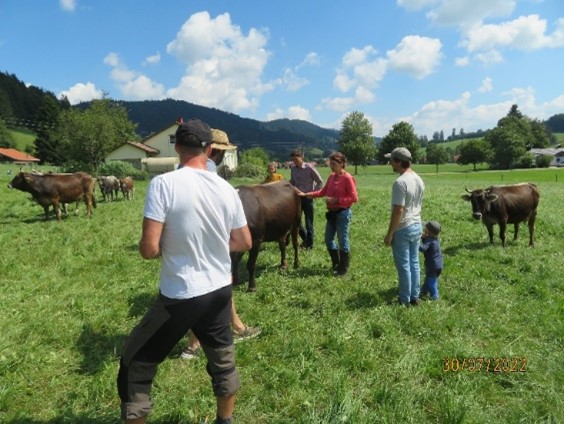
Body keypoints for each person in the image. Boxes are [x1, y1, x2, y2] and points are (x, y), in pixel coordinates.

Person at [117, 118, 252, 424]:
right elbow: (244, 240)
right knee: (223, 360)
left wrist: (176, 245)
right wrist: (213, 246)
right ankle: (225, 420)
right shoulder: (226, 188)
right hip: (219, 290)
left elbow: (149, 250)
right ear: (209, 149)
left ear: (176, 147)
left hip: (180, 294)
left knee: (135, 363)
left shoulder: (163, 185)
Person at [183, 128, 261, 360]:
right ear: (213, 150)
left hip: (191, 237)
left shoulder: (184, 169)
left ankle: (237, 325)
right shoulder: (206, 169)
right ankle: (194, 343)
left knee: (220, 283)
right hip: (209, 238)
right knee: (200, 290)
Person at [297, 152, 358, 275]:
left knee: (342, 241)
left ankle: (343, 269)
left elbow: (354, 197)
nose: (332, 166)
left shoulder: (347, 178)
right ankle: (336, 264)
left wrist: (337, 200)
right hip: (331, 213)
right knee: (328, 239)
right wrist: (306, 194)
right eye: (331, 164)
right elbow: (322, 192)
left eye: (334, 164)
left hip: (342, 214)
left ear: (342, 164)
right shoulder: (331, 177)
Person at [383, 147, 425, 307]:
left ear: (399, 162)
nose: (390, 164)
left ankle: (404, 299)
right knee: (414, 262)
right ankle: (415, 296)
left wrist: (390, 234)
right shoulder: (418, 178)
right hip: (417, 224)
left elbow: (398, 210)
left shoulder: (400, 183)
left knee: (404, 265)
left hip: (403, 227)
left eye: (392, 160)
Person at [289, 149, 323, 250]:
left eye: (296, 158)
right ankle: (306, 241)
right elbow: (293, 182)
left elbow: (320, 182)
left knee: (309, 223)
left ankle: (310, 245)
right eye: (293, 159)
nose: (294, 161)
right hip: (297, 199)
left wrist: (312, 194)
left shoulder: (309, 168)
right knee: (297, 222)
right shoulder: (293, 169)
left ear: (301, 157)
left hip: (307, 198)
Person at [419, 220, 443, 301]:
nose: (424, 230)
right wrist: (423, 238)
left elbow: (423, 248)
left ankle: (434, 296)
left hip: (432, 266)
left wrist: (415, 243)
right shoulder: (434, 239)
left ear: (430, 232)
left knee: (432, 282)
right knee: (428, 279)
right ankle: (424, 291)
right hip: (437, 265)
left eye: (425, 229)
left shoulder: (429, 240)